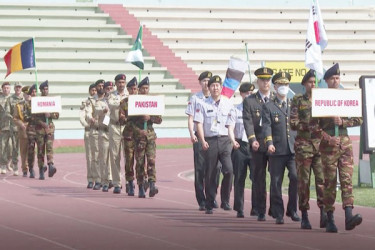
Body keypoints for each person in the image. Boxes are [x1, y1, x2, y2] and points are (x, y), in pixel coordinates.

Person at [310, 63, 363, 233]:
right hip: (328, 147)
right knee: (330, 183)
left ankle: (348, 215)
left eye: (338, 78)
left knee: (347, 180)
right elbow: (313, 126)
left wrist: (343, 122)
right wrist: (326, 137)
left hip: (345, 144)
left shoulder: (347, 96)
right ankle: (330, 218)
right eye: (332, 78)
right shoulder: (319, 98)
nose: (335, 81)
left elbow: (359, 119)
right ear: (326, 80)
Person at [262, 72, 300, 224]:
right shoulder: (269, 106)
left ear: (288, 86)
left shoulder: (294, 105)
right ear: (275, 86)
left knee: (296, 178)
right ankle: (278, 213)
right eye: (280, 84)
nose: (283, 87)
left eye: (286, 84)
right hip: (276, 150)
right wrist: (269, 143)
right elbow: (266, 126)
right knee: (276, 182)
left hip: (293, 150)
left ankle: (293, 209)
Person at [290, 69, 326, 229]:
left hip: (321, 147)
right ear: (304, 84)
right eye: (310, 82)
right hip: (304, 146)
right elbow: (293, 123)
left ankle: (324, 213)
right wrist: (308, 125)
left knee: (322, 181)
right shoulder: (298, 99)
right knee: (304, 182)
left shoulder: (322, 99)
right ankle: (304, 214)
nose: (313, 84)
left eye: (315, 82)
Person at [194, 75, 234, 214]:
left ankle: (225, 200)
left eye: (218, 85)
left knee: (229, 171)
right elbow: (198, 123)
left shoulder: (228, 103)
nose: (215, 87)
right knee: (210, 173)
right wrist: (202, 140)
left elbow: (232, 124)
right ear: (209, 88)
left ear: (221, 87)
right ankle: (209, 203)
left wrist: (233, 140)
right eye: (213, 85)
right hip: (210, 141)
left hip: (224, 140)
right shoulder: (203, 104)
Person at [243, 67, 274, 221]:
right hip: (258, 145)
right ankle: (260, 209)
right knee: (259, 178)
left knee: (276, 179)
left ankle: (275, 209)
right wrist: (252, 139)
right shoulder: (250, 101)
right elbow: (248, 122)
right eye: (262, 80)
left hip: (275, 145)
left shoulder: (276, 99)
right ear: (257, 81)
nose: (265, 82)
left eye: (268, 79)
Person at [185, 71, 212, 210]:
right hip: (199, 136)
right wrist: (191, 133)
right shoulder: (195, 98)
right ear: (200, 82)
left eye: (209, 80)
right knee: (200, 169)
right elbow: (190, 118)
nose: (207, 83)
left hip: (214, 137)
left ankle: (211, 196)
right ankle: (201, 199)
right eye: (204, 80)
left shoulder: (216, 98)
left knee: (214, 169)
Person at [227, 82, 254, 218]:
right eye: (246, 93)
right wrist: (233, 141)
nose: (249, 95)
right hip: (240, 146)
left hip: (254, 146)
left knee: (257, 178)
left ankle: (256, 207)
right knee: (239, 178)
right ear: (241, 94)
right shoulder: (235, 109)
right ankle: (239, 208)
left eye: (251, 93)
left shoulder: (257, 109)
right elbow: (230, 128)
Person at [133, 77, 162, 198]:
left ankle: (152, 184)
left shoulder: (152, 102)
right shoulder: (134, 102)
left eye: (147, 88)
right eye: (143, 88)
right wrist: (139, 131)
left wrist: (150, 118)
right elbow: (129, 123)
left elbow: (159, 119)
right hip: (139, 138)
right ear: (139, 90)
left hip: (150, 137)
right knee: (140, 163)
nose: (145, 90)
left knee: (151, 161)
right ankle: (141, 185)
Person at [108, 74, 128, 194]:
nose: (121, 84)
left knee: (128, 156)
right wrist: (123, 103)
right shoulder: (111, 95)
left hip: (126, 126)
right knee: (115, 156)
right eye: (119, 82)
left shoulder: (130, 95)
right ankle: (117, 183)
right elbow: (111, 104)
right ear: (115, 83)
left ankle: (128, 182)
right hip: (114, 126)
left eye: (123, 82)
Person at [34, 80, 59, 180]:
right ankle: (41, 169)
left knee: (49, 148)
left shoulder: (52, 101)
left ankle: (50, 165)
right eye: (44, 89)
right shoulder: (36, 101)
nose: (46, 90)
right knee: (40, 150)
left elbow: (57, 115)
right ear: (40, 90)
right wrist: (42, 123)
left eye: (47, 88)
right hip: (40, 130)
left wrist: (51, 115)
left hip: (49, 129)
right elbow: (34, 117)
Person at [119, 76, 138, 196]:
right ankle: (130, 183)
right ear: (128, 90)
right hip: (129, 135)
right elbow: (121, 119)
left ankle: (142, 182)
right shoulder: (124, 103)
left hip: (141, 135)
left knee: (142, 161)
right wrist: (129, 117)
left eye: (135, 89)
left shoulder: (142, 101)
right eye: (131, 89)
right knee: (129, 160)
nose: (133, 91)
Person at [86, 79, 105, 189]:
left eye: (103, 85)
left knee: (105, 156)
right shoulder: (91, 101)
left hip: (105, 130)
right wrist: (90, 118)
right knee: (95, 156)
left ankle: (105, 179)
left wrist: (105, 124)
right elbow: (88, 113)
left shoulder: (108, 99)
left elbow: (110, 113)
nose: (101, 87)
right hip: (95, 130)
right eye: (99, 85)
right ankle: (97, 180)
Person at [79, 83, 97, 188]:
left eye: (95, 90)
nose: (94, 92)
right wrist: (87, 125)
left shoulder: (102, 101)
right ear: (89, 91)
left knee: (99, 157)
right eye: (92, 90)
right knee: (90, 157)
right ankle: (91, 179)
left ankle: (101, 179)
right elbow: (81, 117)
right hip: (89, 131)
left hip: (100, 131)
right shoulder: (85, 103)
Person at [13, 86, 31, 177]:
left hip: (34, 131)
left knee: (32, 151)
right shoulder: (19, 105)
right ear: (23, 95)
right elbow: (15, 118)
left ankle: (31, 168)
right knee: (23, 151)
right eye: (26, 94)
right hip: (23, 131)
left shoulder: (35, 104)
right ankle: (25, 168)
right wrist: (21, 124)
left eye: (29, 94)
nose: (28, 96)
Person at [8, 82, 24, 176]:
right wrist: (15, 119)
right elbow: (8, 112)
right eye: (16, 87)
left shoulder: (25, 98)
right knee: (15, 148)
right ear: (14, 88)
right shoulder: (10, 99)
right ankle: (15, 167)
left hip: (24, 127)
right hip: (14, 127)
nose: (18, 89)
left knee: (24, 148)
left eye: (19, 87)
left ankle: (25, 166)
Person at [25, 84, 37, 178]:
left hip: (40, 129)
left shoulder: (40, 102)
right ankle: (31, 168)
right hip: (31, 129)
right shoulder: (27, 104)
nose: (34, 93)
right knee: (31, 149)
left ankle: (41, 167)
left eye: (35, 91)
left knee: (41, 149)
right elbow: (25, 117)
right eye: (32, 92)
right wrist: (31, 117)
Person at [0, 82, 12, 174]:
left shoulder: (13, 99)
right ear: (2, 89)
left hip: (12, 126)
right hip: (2, 126)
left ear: (10, 89)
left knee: (12, 146)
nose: (6, 89)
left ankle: (9, 163)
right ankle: (3, 165)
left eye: (8, 88)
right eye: (4, 88)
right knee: (3, 146)